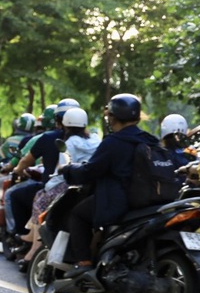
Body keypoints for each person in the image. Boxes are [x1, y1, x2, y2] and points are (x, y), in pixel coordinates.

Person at [60, 93, 156, 279]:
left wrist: (68, 170)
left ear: (113, 117)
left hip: (119, 201)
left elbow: (90, 171)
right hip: (149, 201)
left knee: (78, 214)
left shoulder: (114, 142)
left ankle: (83, 262)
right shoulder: (149, 139)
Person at [18, 107, 90, 272]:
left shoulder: (65, 143)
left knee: (39, 201)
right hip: (89, 187)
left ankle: (34, 248)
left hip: (67, 186)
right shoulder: (94, 140)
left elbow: (62, 169)